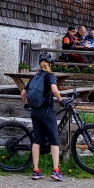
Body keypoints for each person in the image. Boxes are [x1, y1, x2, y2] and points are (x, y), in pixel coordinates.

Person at [20, 53, 65, 181]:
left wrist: (27, 104)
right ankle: (56, 170)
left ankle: (36, 170)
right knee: (54, 140)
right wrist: (61, 101)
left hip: (35, 111)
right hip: (46, 111)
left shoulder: (35, 76)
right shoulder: (50, 76)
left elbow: (23, 93)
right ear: (50, 64)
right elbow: (55, 90)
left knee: (37, 139)